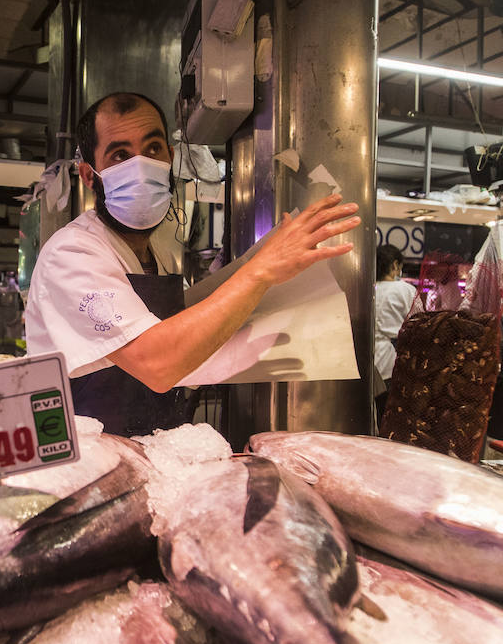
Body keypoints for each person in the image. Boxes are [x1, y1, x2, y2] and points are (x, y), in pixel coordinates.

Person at [25, 91, 360, 435]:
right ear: (88, 174)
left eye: (152, 148)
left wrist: (256, 267)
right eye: (120, 155)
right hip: (85, 459)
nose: (140, 166)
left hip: (151, 449)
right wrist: (260, 273)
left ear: (170, 157)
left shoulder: (159, 253)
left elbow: (185, 335)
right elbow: (157, 363)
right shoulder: (72, 253)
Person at [373, 243, 417, 414]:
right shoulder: (404, 289)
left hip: (367, 359)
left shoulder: (369, 288)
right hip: (393, 361)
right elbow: (419, 323)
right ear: (394, 265)